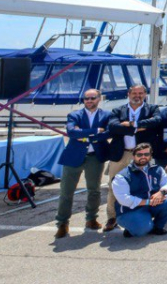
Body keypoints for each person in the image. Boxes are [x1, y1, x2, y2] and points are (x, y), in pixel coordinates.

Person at [54, 89, 111, 239]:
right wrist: (96, 131)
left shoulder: (106, 115)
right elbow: (72, 132)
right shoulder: (74, 115)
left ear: (99, 99)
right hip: (73, 157)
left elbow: (109, 133)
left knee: (94, 190)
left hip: (94, 157)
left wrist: (84, 134)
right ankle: (62, 223)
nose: (89, 101)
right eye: (86, 98)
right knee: (66, 192)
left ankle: (91, 219)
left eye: (92, 98)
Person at [103, 84, 161, 231]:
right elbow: (113, 126)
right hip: (121, 154)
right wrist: (136, 128)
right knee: (113, 186)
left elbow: (156, 121)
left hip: (142, 155)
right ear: (129, 94)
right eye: (134, 93)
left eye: (140, 93)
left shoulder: (152, 109)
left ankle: (144, 216)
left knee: (145, 186)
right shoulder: (118, 110)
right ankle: (112, 217)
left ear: (145, 95)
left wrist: (132, 124)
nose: (137, 96)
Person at [110, 143, 167, 238]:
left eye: (146, 154)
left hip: (150, 204)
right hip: (129, 211)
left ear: (150, 155)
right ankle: (132, 227)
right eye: (139, 155)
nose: (143, 157)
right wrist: (148, 202)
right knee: (142, 230)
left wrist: (161, 192)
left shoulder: (158, 169)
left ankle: (157, 227)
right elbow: (124, 199)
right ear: (133, 156)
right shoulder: (122, 176)